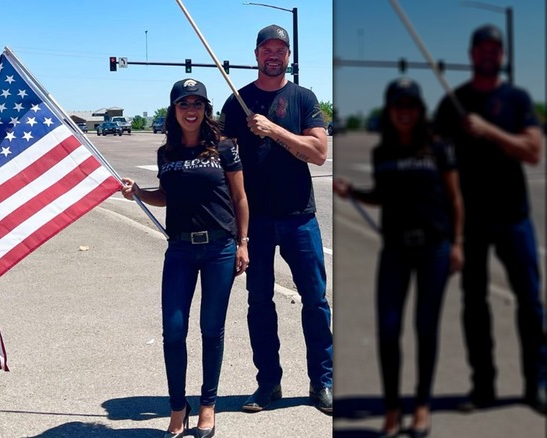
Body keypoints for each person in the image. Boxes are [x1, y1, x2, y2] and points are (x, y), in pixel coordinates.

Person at [334, 78, 464, 437]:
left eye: (410, 104)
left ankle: (421, 404)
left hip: (434, 249)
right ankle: (393, 409)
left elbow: (455, 199)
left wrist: (457, 244)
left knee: (425, 330)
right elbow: (382, 196)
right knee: (388, 331)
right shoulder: (383, 152)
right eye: (398, 104)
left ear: (419, 109)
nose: (404, 110)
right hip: (394, 250)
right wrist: (354, 192)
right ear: (390, 110)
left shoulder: (438, 147)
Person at [121, 78, 249, 438]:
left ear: (205, 110)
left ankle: (208, 404)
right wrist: (139, 194)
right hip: (179, 249)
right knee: (173, 332)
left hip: (219, 249)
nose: (190, 110)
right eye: (183, 104)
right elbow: (166, 196)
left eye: (197, 104)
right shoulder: (167, 153)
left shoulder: (225, 148)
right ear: (173, 110)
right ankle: (179, 407)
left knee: (212, 329)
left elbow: (240, 199)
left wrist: (243, 242)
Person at [218, 24, 333, 414]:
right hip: (257, 222)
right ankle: (269, 382)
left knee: (315, 301)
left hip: (299, 217)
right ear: (256, 55)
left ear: (288, 56)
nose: (273, 55)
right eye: (266, 49)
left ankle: (323, 382)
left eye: (280, 50)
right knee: (259, 302)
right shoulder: (236, 102)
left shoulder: (303, 98)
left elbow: (318, 153)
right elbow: (223, 161)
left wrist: (273, 129)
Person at [434, 24, 547, 415]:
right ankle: (483, 386)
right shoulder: (454, 102)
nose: (487, 54)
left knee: (531, 302)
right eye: (481, 48)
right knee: (474, 305)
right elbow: (434, 159)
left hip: (515, 218)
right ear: (472, 54)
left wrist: (489, 131)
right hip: (472, 223)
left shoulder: (515, 99)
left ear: (500, 56)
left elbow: (533, 151)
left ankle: (538, 384)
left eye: (493, 49)